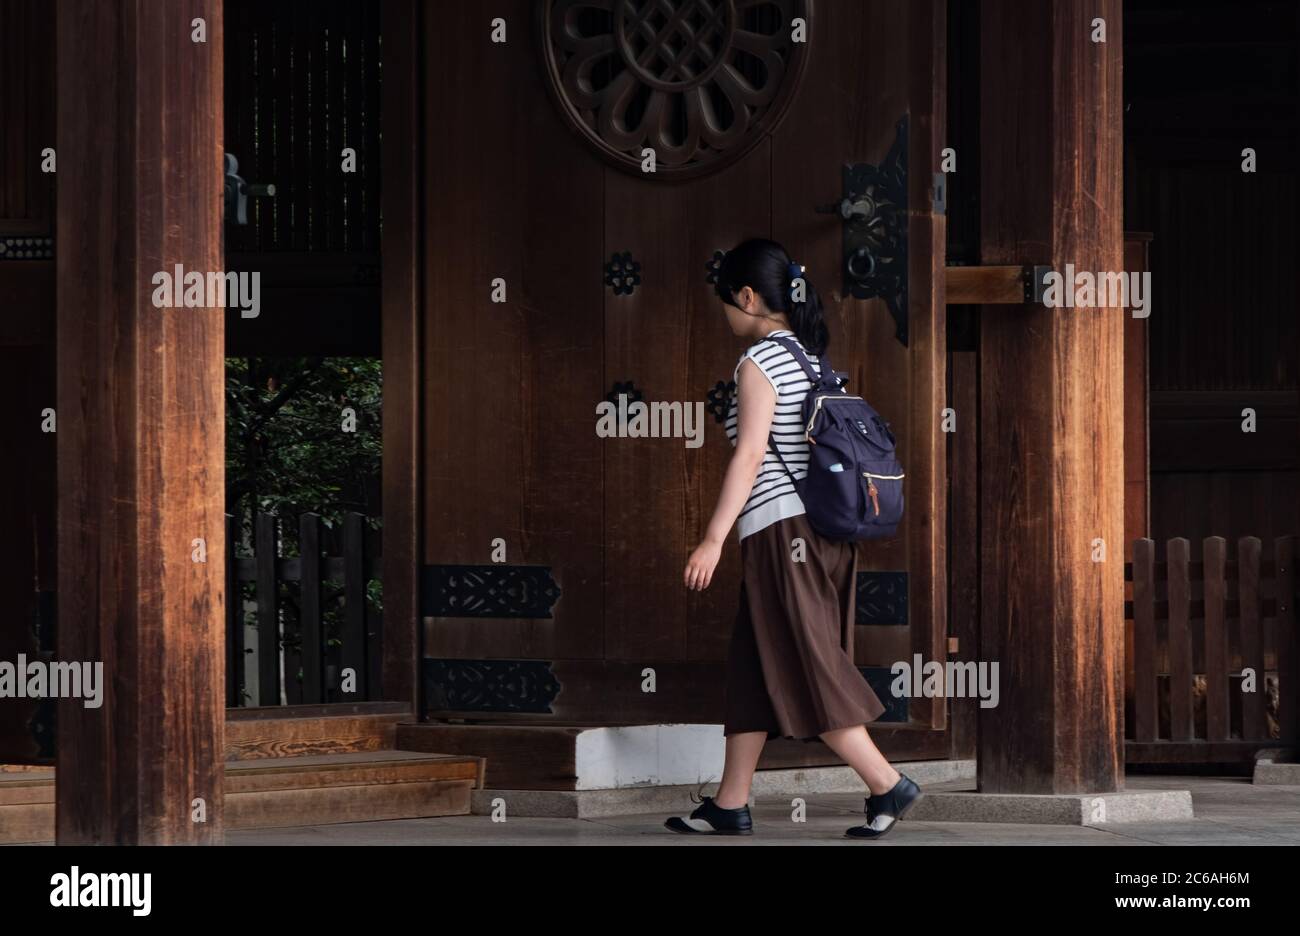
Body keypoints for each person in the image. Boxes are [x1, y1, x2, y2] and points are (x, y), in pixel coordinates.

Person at [663, 238, 922, 839]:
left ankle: (887, 783)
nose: (725, 313)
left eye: (727, 300)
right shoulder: (813, 359)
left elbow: (751, 454)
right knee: (755, 665)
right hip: (826, 534)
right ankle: (730, 803)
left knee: (809, 664)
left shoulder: (758, 363)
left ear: (748, 297)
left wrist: (712, 538)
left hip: (782, 534)